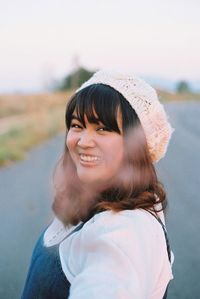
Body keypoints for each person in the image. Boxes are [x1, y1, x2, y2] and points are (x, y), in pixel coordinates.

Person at [21, 69, 175, 299]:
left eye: (102, 128)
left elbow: (109, 282)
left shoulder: (129, 229)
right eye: (76, 125)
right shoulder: (93, 197)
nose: (83, 141)